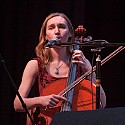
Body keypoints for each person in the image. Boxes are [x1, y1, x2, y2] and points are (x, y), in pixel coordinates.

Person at [14, 12, 106, 125]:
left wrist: (88, 68)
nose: (57, 31)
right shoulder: (35, 65)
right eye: (51, 28)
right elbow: (17, 104)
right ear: (45, 36)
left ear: (70, 34)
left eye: (61, 27)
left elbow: (102, 102)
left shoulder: (81, 64)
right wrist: (40, 100)